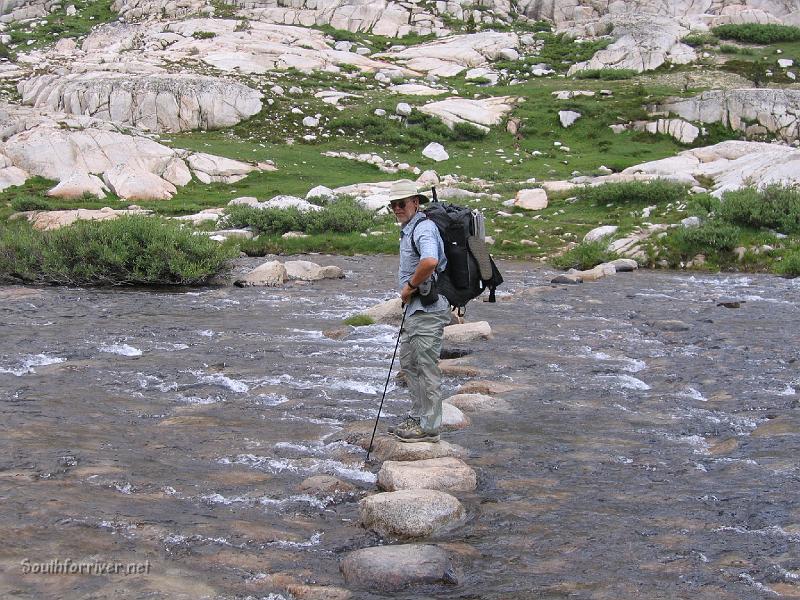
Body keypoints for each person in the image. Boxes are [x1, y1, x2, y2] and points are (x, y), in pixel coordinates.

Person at [385, 179, 451, 443]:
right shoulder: (409, 229)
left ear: (415, 202)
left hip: (428, 309)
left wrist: (409, 286)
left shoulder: (423, 228)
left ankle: (430, 426)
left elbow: (430, 261)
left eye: (402, 203)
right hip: (416, 310)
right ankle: (418, 416)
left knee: (425, 366)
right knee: (410, 363)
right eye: (393, 205)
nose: (397, 208)